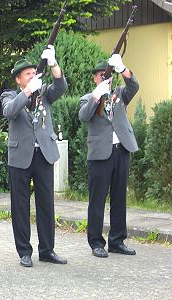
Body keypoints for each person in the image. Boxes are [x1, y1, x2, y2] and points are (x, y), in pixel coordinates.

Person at [1, 45, 68, 267]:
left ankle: (47, 249)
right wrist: (28, 91)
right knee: (20, 205)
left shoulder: (44, 92)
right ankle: (24, 251)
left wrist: (54, 64)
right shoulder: (9, 95)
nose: (32, 76)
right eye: (27, 74)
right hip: (21, 155)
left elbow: (61, 87)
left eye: (33, 73)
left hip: (43, 154)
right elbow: (9, 111)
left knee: (46, 203)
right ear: (18, 80)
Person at [78, 54, 139, 258]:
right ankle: (96, 242)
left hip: (121, 149)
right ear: (95, 78)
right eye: (101, 76)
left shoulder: (120, 94)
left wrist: (123, 69)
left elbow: (134, 86)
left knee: (119, 197)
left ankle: (117, 240)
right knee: (97, 199)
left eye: (108, 76)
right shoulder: (88, 98)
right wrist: (97, 94)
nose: (105, 79)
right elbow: (84, 116)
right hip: (100, 154)